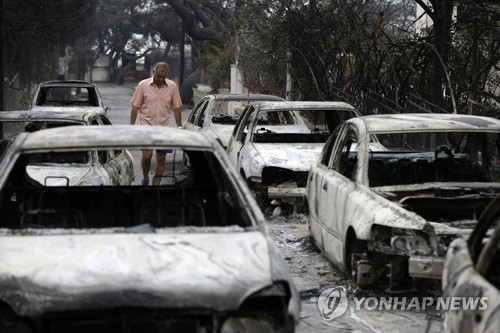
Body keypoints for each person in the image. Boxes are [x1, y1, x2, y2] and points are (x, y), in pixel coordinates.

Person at [130, 62, 183, 186]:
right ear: (153, 72)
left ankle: (156, 186)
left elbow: (176, 108)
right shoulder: (143, 85)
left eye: (163, 77)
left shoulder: (172, 86)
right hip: (146, 127)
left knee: (161, 157)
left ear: (167, 74)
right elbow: (135, 107)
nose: (160, 79)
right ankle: (145, 178)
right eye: (158, 76)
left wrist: (180, 127)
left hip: (164, 128)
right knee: (147, 155)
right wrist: (130, 127)